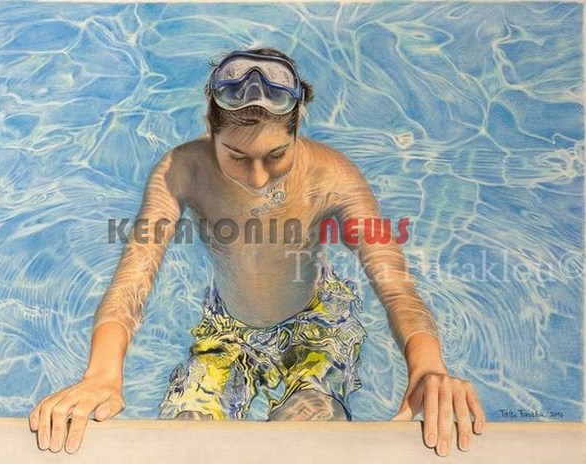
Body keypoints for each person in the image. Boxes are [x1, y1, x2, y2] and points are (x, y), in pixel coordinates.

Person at [29, 47, 485, 456]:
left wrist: (428, 366)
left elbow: (394, 283)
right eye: (237, 156)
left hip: (315, 327)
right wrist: (102, 373)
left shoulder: (334, 177)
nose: (258, 178)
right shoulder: (182, 170)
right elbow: (135, 274)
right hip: (226, 328)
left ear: (297, 127)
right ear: (209, 129)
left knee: (308, 436)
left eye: (276, 155)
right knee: (184, 440)